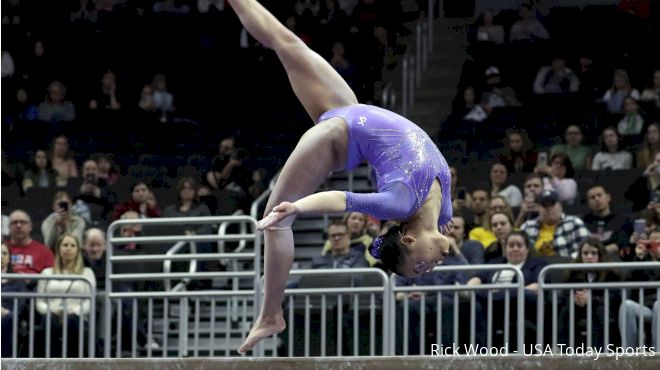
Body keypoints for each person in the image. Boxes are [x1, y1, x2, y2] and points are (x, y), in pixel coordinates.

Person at [226, 0, 452, 354]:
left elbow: (339, 200)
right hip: (348, 111)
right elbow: (442, 223)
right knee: (287, 43)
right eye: (423, 268)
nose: (431, 265)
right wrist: (443, 226)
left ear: (408, 240)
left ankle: (271, 314)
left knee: (275, 220)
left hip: (337, 137)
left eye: (420, 266)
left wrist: (295, 208)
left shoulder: (400, 203)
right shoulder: (442, 212)